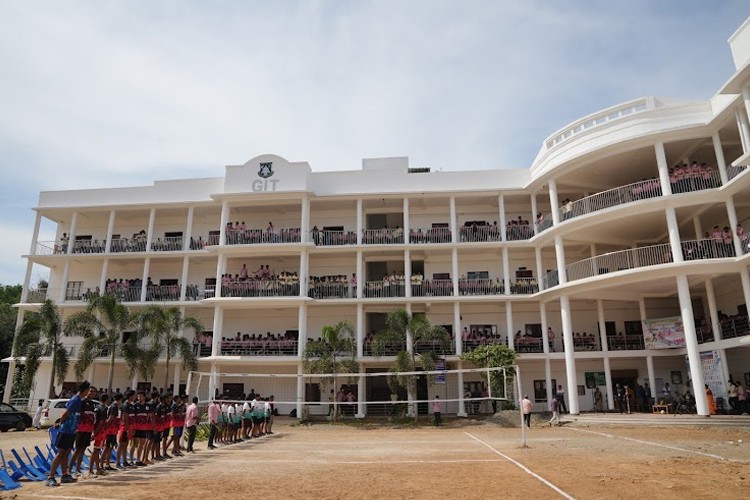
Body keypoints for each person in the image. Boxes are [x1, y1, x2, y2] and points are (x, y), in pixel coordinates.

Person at [46, 381, 90, 487]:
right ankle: (50, 477)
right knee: (61, 453)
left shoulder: (80, 401)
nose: (89, 392)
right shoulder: (75, 400)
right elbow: (66, 413)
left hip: (72, 431)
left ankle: (64, 475)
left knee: (66, 452)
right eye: (88, 390)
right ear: (84, 390)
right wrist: (60, 423)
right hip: (65, 430)